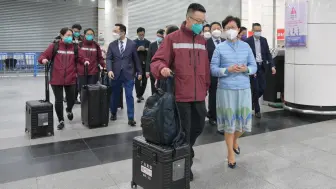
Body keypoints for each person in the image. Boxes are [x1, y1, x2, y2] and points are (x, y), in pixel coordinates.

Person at [150, 3, 210, 181]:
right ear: (188, 18)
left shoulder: (201, 41)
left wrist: (205, 86)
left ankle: (186, 151)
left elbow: (205, 67)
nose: (201, 24)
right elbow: (157, 60)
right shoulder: (172, 38)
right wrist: (162, 69)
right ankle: (184, 166)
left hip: (199, 94)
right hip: (180, 94)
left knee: (198, 127)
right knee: (183, 131)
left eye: (203, 21)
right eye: (198, 20)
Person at [211, 16, 257, 169]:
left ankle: (235, 140)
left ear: (238, 30)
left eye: (234, 27)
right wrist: (227, 70)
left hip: (244, 88)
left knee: (242, 125)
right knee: (230, 124)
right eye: (228, 27)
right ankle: (230, 153)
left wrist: (247, 69)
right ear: (224, 30)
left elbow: (254, 65)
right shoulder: (219, 48)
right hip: (226, 90)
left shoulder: (246, 47)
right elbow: (213, 69)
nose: (231, 30)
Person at [38, 27, 88, 130]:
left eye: (71, 36)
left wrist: (86, 61)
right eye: (68, 35)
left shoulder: (75, 47)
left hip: (71, 78)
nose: (70, 38)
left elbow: (82, 57)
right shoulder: (54, 46)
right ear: (61, 36)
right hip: (56, 78)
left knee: (71, 99)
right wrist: (43, 60)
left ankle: (69, 109)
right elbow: (43, 55)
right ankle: (61, 120)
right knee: (59, 100)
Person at [106, 23, 142, 126]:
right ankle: (113, 112)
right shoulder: (112, 45)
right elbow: (108, 58)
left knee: (129, 95)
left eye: (116, 31)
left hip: (129, 74)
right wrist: (109, 70)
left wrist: (139, 72)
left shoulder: (132, 44)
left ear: (123, 32)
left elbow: (136, 59)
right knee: (115, 95)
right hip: (115, 74)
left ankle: (131, 118)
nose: (114, 33)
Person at [245, 23, 276, 118]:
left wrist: (272, 66)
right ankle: (257, 110)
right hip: (253, 67)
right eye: (256, 30)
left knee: (262, 88)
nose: (258, 32)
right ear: (252, 31)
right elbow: (246, 56)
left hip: (262, 67)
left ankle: (252, 101)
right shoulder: (248, 41)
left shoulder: (264, 40)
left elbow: (267, 53)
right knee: (256, 88)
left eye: (259, 30)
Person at [206, 22, 225, 133]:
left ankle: (222, 114)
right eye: (214, 28)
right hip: (212, 72)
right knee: (213, 94)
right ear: (210, 30)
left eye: (218, 28)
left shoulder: (224, 41)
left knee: (223, 94)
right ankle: (212, 115)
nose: (217, 30)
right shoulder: (206, 43)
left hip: (224, 72)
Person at [77, 28, 105, 93]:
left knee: (92, 91)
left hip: (93, 72)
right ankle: (83, 102)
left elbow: (100, 58)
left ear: (94, 35)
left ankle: (92, 103)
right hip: (82, 72)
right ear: (84, 35)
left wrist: (104, 65)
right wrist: (83, 61)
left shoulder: (96, 45)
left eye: (91, 34)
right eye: (88, 34)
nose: (89, 35)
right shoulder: (80, 45)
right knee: (83, 91)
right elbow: (77, 57)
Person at [134, 27, 151, 103]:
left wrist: (145, 50)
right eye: (140, 34)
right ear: (137, 34)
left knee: (144, 80)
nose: (141, 36)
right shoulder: (133, 42)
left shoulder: (148, 42)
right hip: (137, 64)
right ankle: (138, 95)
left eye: (143, 34)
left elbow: (150, 53)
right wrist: (137, 50)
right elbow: (131, 53)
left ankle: (141, 94)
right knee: (138, 80)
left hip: (145, 64)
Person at [145, 29, 165, 95]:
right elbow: (148, 59)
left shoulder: (165, 44)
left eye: (160, 36)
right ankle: (154, 100)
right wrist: (147, 71)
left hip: (162, 70)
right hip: (153, 70)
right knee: (153, 87)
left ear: (163, 36)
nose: (158, 38)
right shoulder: (152, 45)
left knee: (162, 88)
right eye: (157, 36)